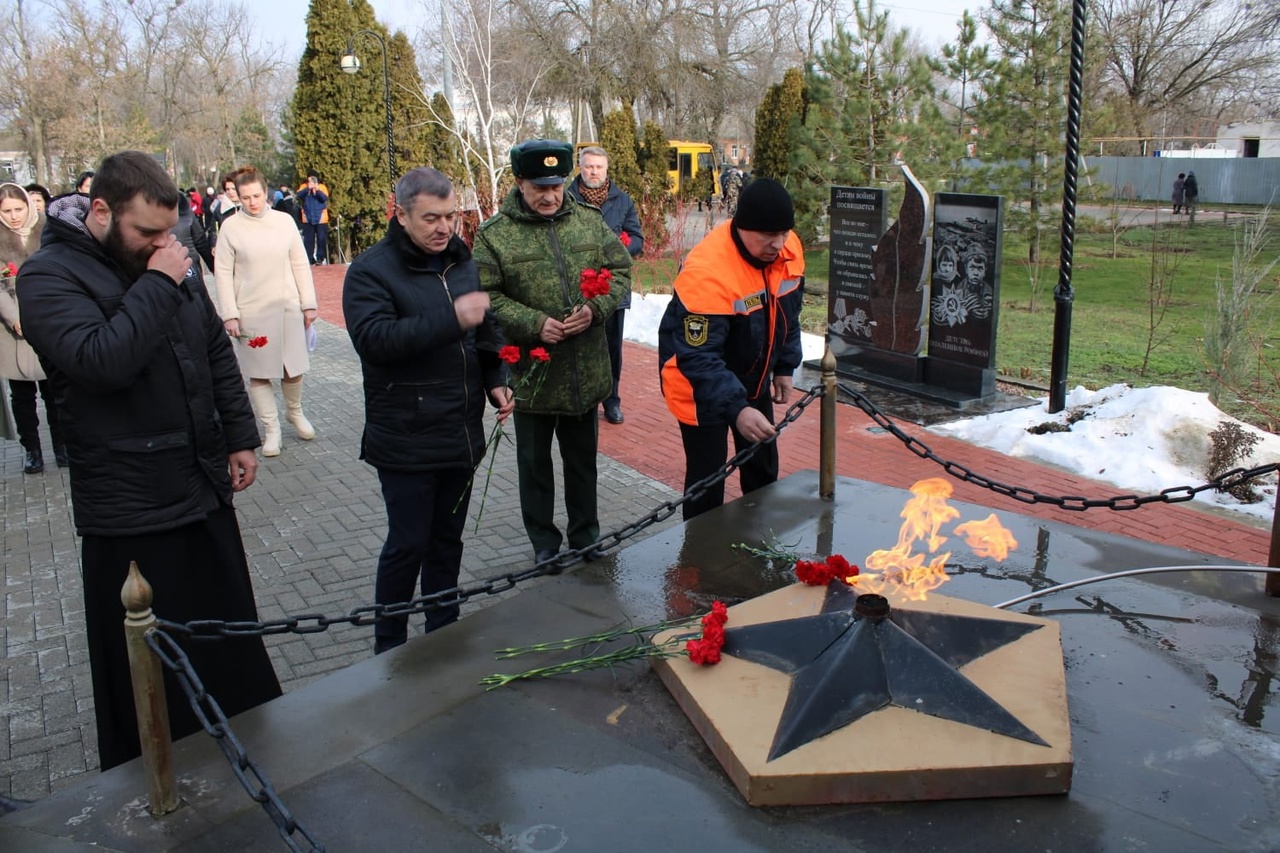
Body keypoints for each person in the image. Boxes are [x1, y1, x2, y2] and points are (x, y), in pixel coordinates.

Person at [16, 150, 281, 771]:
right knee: (152, 668)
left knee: (228, 646)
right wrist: (160, 281)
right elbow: (100, 362)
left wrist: (240, 433)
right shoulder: (48, 276)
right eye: (147, 233)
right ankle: (160, 779)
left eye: (171, 232)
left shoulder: (165, 256)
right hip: (130, 508)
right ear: (101, 212)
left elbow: (213, 346)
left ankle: (253, 752)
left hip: (200, 485)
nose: (164, 244)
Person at [343, 167, 515, 654]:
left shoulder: (461, 261)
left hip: (460, 434)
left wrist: (496, 381)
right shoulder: (371, 270)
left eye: (451, 217)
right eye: (431, 218)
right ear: (400, 215)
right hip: (406, 437)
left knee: (447, 543)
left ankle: (444, 633)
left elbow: (487, 332)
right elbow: (374, 341)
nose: (444, 228)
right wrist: (450, 318)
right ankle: (389, 646)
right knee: (408, 545)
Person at [474, 139, 630, 564]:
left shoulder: (589, 222)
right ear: (519, 182)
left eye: (556, 185)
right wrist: (533, 324)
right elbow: (485, 296)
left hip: (583, 372)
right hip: (532, 377)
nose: (550, 196)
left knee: (583, 465)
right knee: (535, 467)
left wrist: (596, 308)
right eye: (539, 187)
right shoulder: (495, 236)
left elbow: (620, 269)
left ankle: (586, 535)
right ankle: (544, 543)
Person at [657, 177, 804, 521]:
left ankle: (758, 545)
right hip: (697, 384)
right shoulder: (708, 271)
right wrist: (737, 409)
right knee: (707, 480)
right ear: (741, 228)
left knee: (763, 467)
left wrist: (784, 365)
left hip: (752, 373)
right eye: (768, 236)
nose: (778, 244)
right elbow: (699, 356)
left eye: (783, 233)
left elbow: (789, 312)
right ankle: (699, 559)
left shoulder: (787, 249)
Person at [214, 167, 318, 457]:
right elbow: (222, 273)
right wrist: (229, 314)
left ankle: (294, 412)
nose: (252, 202)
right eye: (245, 197)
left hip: (287, 306)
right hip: (251, 310)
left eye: (257, 195)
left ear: (266, 192)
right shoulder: (231, 228)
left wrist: (308, 303)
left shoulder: (284, 221)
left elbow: (300, 262)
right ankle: (271, 429)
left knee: (293, 367)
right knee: (259, 373)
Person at [565, 145, 644, 425]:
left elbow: (637, 238)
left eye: (599, 166)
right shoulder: (566, 199)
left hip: (612, 290)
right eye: (588, 166)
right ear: (580, 168)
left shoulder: (622, 201)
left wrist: (622, 247)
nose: (594, 171)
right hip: (576, 288)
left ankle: (612, 401)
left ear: (606, 169)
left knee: (612, 348)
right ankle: (582, 399)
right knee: (578, 345)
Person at [0, 183, 62, 473]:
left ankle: (62, 446)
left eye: (18, 209)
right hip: (12, 326)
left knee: (54, 389)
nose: (13, 216)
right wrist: (13, 316)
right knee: (22, 394)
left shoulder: (49, 231)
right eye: (7, 211)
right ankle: (31, 450)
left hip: (48, 318)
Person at [296, 170, 330, 265]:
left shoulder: (322, 187)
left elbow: (324, 198)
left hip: (321, 218)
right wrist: (308, 189)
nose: (311, 181)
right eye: (309, 179)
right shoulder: (303, 186)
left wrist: (317, 190)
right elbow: (299, 195)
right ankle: (310, 258)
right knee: (308, 240)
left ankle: (320, 258)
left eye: (313, 179)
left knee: (321, 238)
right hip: (307, 217)